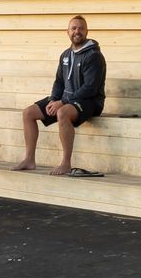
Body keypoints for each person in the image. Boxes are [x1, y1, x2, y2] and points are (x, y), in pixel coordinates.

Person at [12, 15, 106, 175]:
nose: (77, 31)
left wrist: (61, 102)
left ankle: (66, 163)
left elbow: (90, 88)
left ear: (87, 31)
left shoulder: (94, 56)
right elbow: (59, 82)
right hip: (66, 99)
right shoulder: (65, 55)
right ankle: (29, 159)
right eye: (74, 28)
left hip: (89, 101)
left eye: (81, 28)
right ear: (67, 32)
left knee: (62, 113)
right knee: (28, 113)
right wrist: (53, 99)